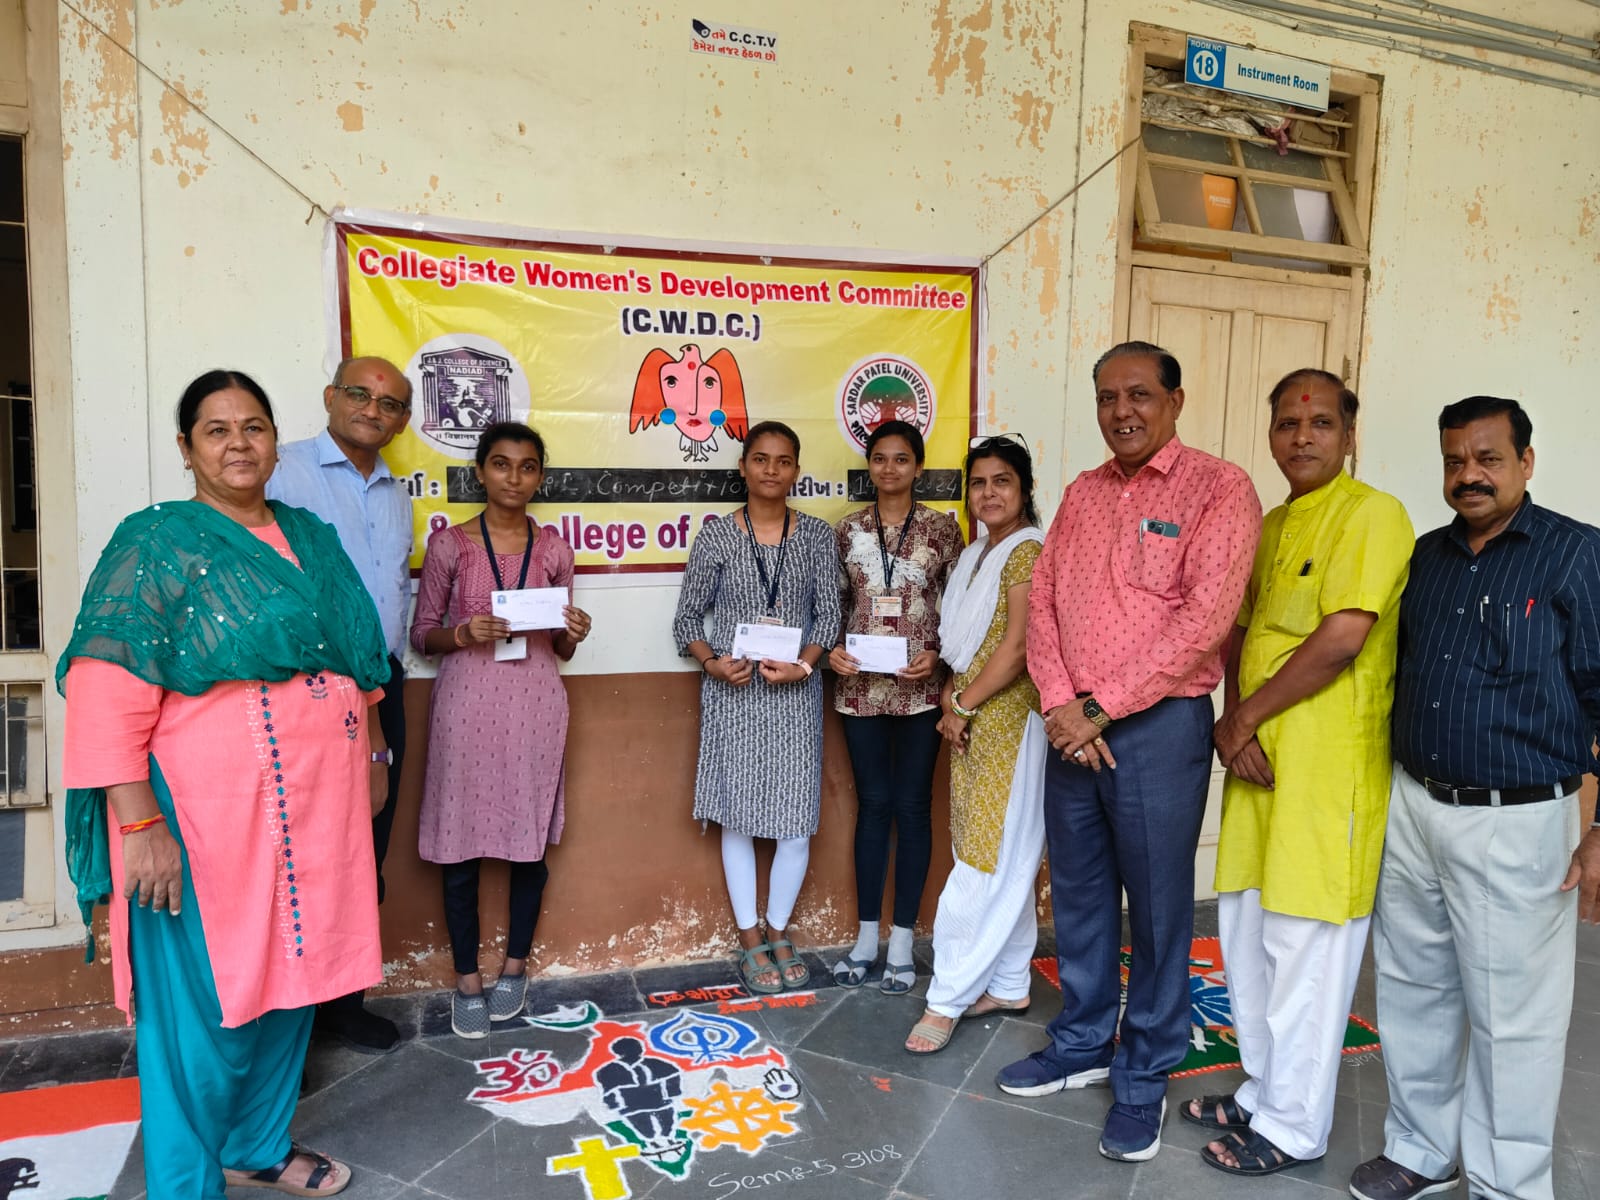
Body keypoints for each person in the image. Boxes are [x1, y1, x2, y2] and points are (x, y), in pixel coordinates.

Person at [59, 369, 392, 1199]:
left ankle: (257, 1144)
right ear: (186, 449)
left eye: (254, 426)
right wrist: (140, 829)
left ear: (278, 442)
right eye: (217, 430)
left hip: (318, 812)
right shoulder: (156, 544)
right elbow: (105, 695)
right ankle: (184, 1183)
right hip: (204, 823)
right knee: (202, 1012)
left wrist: (374, 754)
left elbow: (358, 655)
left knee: (298, 981)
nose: (239, 443)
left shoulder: (311, 538)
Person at [1000, 341, 1262, 1163]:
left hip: (1154, 730)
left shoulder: (1220, 490)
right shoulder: (1082, 493)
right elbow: (1041, 603)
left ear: (1176, 401)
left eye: (1141, 395)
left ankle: (1145, 1069)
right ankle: (1080, 1040)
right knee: (1077, 897)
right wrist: (1058, 704)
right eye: (1109, 396)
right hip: (1070, 728)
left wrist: (1100, 708)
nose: (1124, 411)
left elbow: (1204, 623)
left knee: (1155, 910)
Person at [1349, 397, 1600, 1200]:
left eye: (1488, 459)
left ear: (1526, 462)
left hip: (1518, 817)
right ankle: (1423, 1149)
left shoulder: (1576, 556)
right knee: (1415, 989)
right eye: (1456, 460)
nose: (1470, 475)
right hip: (1417, 805)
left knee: (1513, 1018)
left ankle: (1508, 1183)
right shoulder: (1425, 558)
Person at [1180, 370, 1413, 1178]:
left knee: (1307, 951)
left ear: (1349, 433)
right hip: (1257, 770)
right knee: (1246, 934)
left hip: (1324, 776)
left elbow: (1344, 636)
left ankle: (1293, 1126)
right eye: (1287, 422)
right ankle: (1263, 1088)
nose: (1302, 436)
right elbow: (1240, 633)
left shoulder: (1373, 514)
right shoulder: (1271, 523)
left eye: (1319, 422)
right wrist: (1237, 718)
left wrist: (1239, 719)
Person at [410, 422, 591, 1039]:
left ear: (541, 476)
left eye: (528, 467)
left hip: (534, 710)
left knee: (527, 845)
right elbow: (421, 633)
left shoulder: (556, 550)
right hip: (465, 709)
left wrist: (574, 630)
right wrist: (464, 633)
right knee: (460, 849)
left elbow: (560, 647)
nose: (515, 478)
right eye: (502, 465)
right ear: (481, 472)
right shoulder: (451, 547)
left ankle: (514, 968)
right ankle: (468, 981)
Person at [267, 355, 413, 1054]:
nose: (372, 411)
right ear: (330, 396)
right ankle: (293, 1016)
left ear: (403, 421)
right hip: (308, 687)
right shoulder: (281, 471)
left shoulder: (394, 491)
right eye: (360, 394)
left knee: (368, 846)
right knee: (303, 850)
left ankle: (344, 1005)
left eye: (390, 404)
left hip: (384, 681)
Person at [671, 421, 842, 994]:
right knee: (739, 818)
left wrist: (806, 664)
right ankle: (749, 937)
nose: (772, 470)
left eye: (784, 460)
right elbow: (688, 620)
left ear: (797, 470)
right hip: (735, 693)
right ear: (742, 467)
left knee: (796, 823)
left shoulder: (817, 536)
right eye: (761, 459)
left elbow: (829, 617)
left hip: (795, 694)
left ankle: (778, 928)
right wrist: (712, 662)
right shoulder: (718, 536)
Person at [904, 435, 1046, 1054]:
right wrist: (955, 698)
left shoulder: (1027, 553)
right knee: (992, 850)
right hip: (972, 716)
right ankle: (1011, 981)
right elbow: (972, 641)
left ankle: (948, 997)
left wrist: (961, 702)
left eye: (1002, 482)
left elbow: (1017, 649)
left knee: (986, 859)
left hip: (1011, 722)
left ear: (1024, 489)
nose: (989, 493)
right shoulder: (977, 555)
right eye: (979, 483)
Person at [828, 420, 963, 993]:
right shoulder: (846, 529)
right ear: (869, 466)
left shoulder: (943, 529)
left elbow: (959, 608)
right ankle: (865, 939)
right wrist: (830, 649)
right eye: (879, 459)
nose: (889, 469)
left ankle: (903, 942)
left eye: (901, 459)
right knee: (873, 806)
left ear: (918, 466)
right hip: (859, 690)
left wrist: (939, 654)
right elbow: (831, 603)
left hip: (920, 692)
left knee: (911, 809)